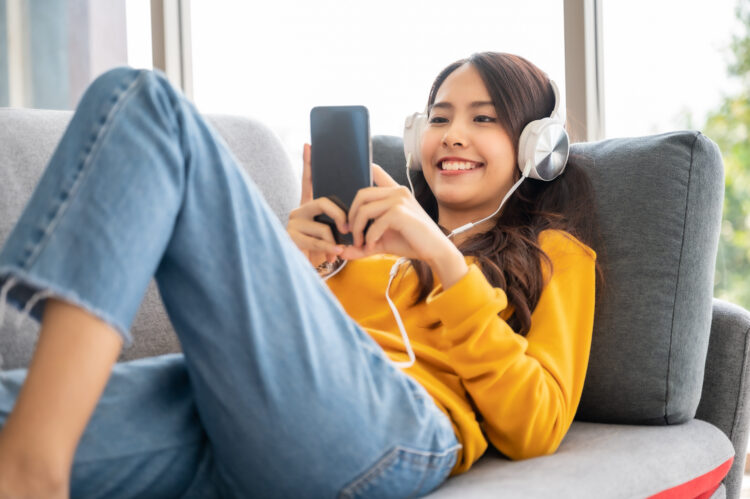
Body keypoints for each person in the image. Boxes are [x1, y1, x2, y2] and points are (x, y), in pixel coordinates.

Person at [0, 51, 601, 498]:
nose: (454, 135)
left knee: (143, 103)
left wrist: (442, 260)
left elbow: (538, 425)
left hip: (395, 425)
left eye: (483, 119)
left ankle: (34, 470)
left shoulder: (554, 254)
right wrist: (296, 263)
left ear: (532, 146)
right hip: (251, 420)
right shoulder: (361, 245)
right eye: (440, 118)